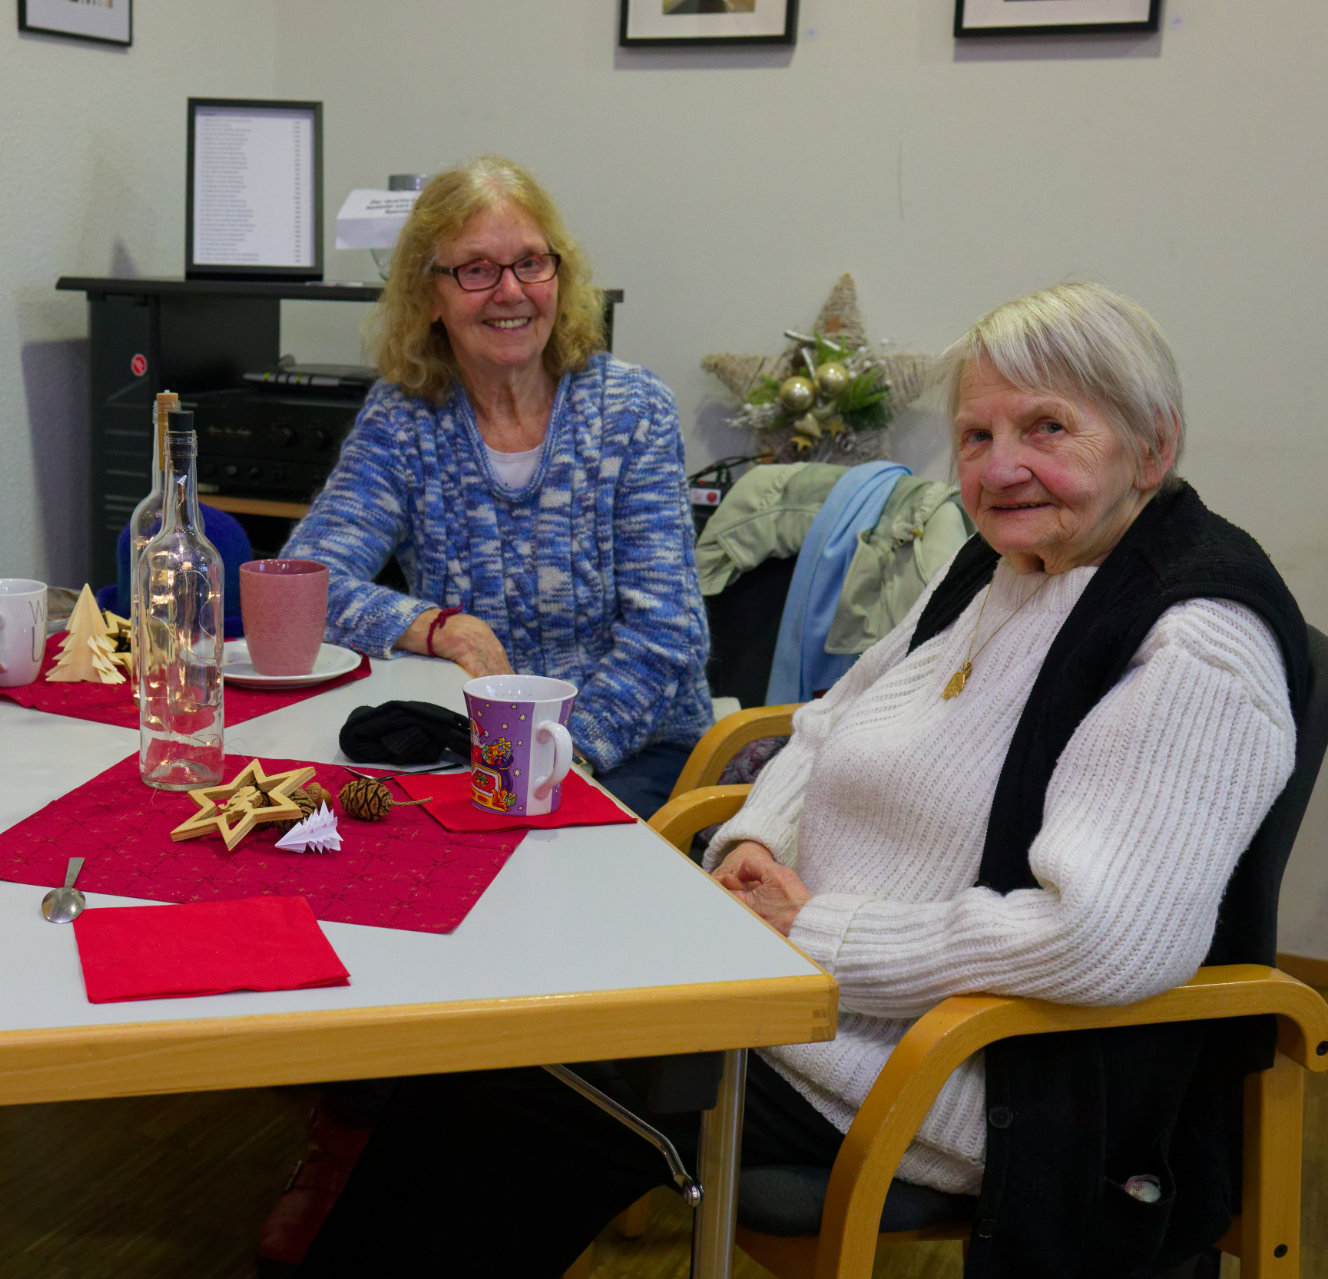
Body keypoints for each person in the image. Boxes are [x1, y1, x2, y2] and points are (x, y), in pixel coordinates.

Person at [295, 282, 1309, 1279]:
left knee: (532, 1091)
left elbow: (1102, 937)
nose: (1002, 468)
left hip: (951, 1073)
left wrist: (814, 933)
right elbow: (828, 723)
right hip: (791, 986)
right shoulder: (1002, 567)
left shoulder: (1194, 646)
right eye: (976, 435)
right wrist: (754, 843)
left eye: (1047, 427)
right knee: (485, 1038)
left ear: (1152, 445)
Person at [281, 155, 713, 822]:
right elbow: (303, 585)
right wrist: (439, 627)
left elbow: (669, 635)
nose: (511, 291)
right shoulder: (404, 419)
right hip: (474, 751)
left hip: (632, 749)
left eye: (531, 264)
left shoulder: (631, 409)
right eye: (477, 270)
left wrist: (562, 750)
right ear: (430, 296)